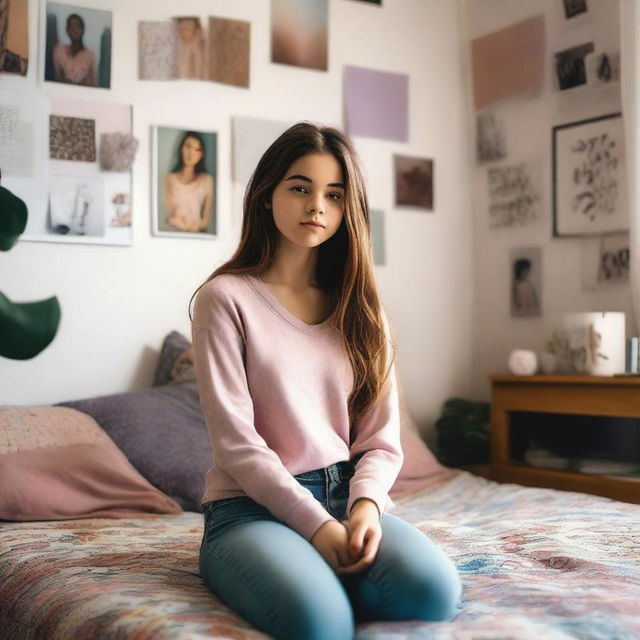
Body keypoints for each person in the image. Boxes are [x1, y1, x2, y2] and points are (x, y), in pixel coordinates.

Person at [189, 122, 463, 640]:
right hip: (251, 510)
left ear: (347, 209)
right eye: (300, 187)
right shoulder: (224, 299)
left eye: (333, 195)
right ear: (266, 195)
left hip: (346, 495)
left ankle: (329, 574)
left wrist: (364, 508)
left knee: (434, 592)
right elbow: (236, 445)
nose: (316, 205)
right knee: (322, 623)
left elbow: (382, 440)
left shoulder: (362, 308)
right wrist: (316, 528)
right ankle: (307, 579)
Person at [163, 131, 214, 232]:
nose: (191, 153)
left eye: (197, 149)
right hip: (174, 233)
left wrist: (193, 227)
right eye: (188, 146)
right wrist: (177, 223)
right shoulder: (169, 179)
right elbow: (168, 215)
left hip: (197, 235)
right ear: (181, 148)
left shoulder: (206, 180)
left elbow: (205, 220)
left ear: (201, 154)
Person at [52, 13, 97, 86]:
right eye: (71, 27)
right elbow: (56, 79)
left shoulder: (90, 55)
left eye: (78, 26)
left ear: (83, 30)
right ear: (67, 30)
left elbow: (94, 84)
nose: (74, 30)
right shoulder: (59, 50)